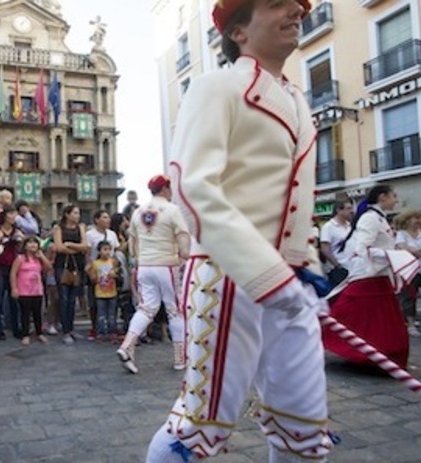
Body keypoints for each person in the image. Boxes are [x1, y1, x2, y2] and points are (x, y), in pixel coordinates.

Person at [147, 1, 335, 462]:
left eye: (299, 5)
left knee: (304, 426)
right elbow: (193, 186)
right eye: (278, 4)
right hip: (227, 275)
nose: (297, 10)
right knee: (198, 426)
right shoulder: (215, 88)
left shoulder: (297, 99)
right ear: (238, 32)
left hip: (294, 288)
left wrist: (303, 268)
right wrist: (269, 275)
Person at [323, 185, 417, 369]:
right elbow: (362, 249)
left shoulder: (378, 218)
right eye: (393, 196)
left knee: (376, 321)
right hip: (368, 277)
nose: (396, 200)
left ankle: (378, 355)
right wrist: (392, 256)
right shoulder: (370, 218)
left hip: (378, 277)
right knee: (354, 315)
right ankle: (368, 353)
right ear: (383, 197)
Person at [116, 175, 190, 374]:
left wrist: (137, 260)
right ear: (165, 189)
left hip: (145, 265)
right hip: (167, 264)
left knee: (147, 308)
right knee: (174, 310)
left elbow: (132, 241)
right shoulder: (173, 210)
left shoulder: (139, 211)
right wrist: (185, 256)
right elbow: (183, 236)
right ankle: (179, 358)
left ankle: (127, 345)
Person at [53, 204, 89, 344]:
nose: (77, 216)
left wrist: (69, 244)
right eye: (75, 213)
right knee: (64, 299)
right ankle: (65, 330)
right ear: (67, 214)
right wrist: (76, 248)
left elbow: (85, 246)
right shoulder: (58, 228)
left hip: (77, 266)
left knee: (73, 300)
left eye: (78, 213)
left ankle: (71, 328)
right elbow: (60, 248)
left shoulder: (81, 227)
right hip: (62, 266)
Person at [0, 205, 25, 340]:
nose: (13, 216)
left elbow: (21, 248)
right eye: (11, 213)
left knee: (14, 298)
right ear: (4, 215)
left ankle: (16, 328)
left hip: (13, 267)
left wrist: (20, 241)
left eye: (14, 214)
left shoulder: (17, 230)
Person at [11, 235, 52, 346]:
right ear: (25, 246)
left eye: (35, 242)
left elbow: (48, 268)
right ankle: (25, 334)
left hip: (37, 289)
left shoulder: (38, 258)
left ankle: (39, 332)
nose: (33, 245)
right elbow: (13, 273)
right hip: (24, 289)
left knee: (37, 312)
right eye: (30, 242)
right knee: (25, 313)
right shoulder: (20, 258)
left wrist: (42, 256)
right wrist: (14, 288)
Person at [85, 209, 120, 340]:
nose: (108, 220)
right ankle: (96, 327)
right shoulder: (90, 234)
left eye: (108, 217)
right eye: (104, 217)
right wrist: (90, 270)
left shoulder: (112, 234)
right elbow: (88, 253)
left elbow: (115, 252)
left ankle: (112, 328)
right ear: (96, 220)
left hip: (110, 271)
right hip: (96, 268)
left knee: (112, 302)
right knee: (94, 301)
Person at [394, 209, 421, 337]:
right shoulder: (401, 234)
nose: (419, 221)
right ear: (407, 220)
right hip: (409, 270)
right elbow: (404, 250)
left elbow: (411, 250)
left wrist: (416, 251)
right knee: (409, 296)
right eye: (416, 218)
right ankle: (411, 324)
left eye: (420, 218)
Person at [320, 200, 353, 286]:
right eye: (348, 208)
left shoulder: (350, 226)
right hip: (338, 268)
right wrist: (338, 265)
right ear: (338, 210)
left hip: (352, 267)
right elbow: (325, 248)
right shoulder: (328, 227)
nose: (351, 211)